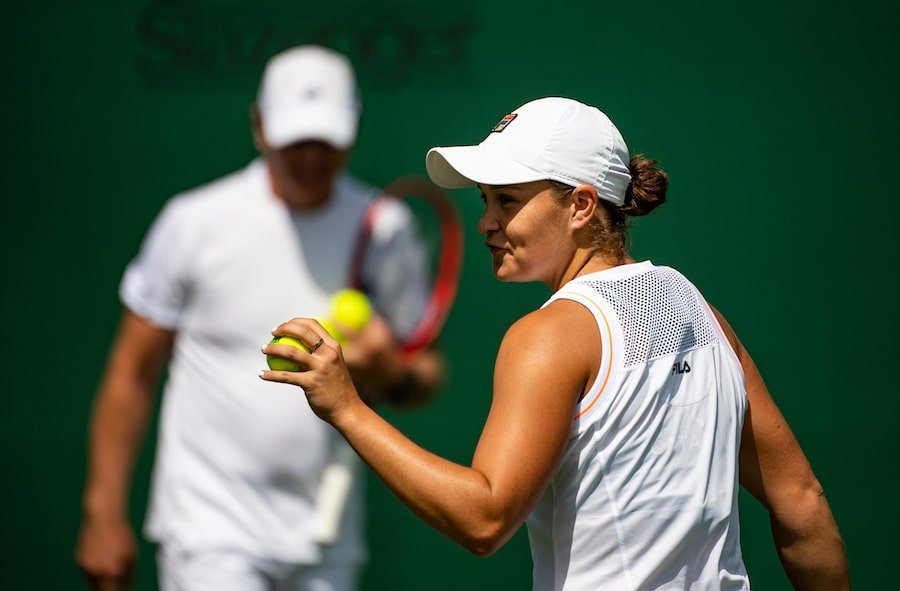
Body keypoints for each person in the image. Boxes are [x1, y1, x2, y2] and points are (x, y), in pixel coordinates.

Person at [260, 96, 851, 590]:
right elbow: (801, 501)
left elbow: (485, 519)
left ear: (582, 205)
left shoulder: (547, 337)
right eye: (484, 200)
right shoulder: (705, 317)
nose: (485, 222)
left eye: (508, 201)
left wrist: (347, 409)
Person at [75, 45, 443, 591]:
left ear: (353, 131)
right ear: (259, 126)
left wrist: (386, 367)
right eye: (296, 140)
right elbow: (132, 371)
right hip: (209, 532)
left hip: (328, 538)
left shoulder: (385, 229)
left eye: (327, 141)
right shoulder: (193, 223)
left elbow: (422, 378)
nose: (311, 158)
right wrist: (102, 515)